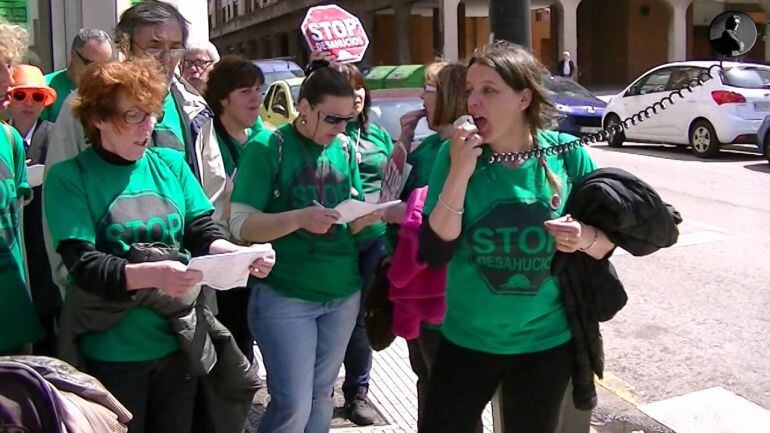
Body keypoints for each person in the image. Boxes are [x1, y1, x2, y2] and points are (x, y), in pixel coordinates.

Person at [43, 58, 275, 433]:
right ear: (98, 119)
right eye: (133, 115)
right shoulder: (71, 177)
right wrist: (154, 275)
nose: (148, 126)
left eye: (151, 113)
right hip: (113, 355)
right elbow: (82, 264)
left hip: (180, 345)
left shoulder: (170, 163)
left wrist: (239, 256)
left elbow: (201, 230)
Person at [417, 41, 615, 433]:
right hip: (466, 340)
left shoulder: (567, 154)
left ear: (524, 97)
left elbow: (606, 244)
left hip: (544, 344)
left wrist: (583, 236)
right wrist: (459, 171)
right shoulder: (453, 154)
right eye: (471, 90)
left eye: (489, 90)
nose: (474, 101)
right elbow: (435, 251)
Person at [44, 0, 229, 302]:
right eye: (154, 47)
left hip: (185, 288)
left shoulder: (193, 108)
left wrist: (211, 261)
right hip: (107, 295)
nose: (166, 59)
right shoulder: (86, 105)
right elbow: (62, 207)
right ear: (125, 46)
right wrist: (72, 285)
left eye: (176, 47)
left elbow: (212, 194)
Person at [229, 65, 378, 433]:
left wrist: (374, 217)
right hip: (285, 294)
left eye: (350, 119)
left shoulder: (343, 146)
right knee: (292, 405)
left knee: (319, 400)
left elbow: (352, 221)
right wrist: (299, 218)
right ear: (304, 108)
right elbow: (241, 224)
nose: (341, 127)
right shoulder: (267, 147)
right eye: (332, 118)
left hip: (342, 291)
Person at [332, 62, 393, 426]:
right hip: (336, 240)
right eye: (345, 89)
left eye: (359, 88)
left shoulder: (378, 135)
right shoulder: (324, 136)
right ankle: (320, 386)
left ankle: (357, 391)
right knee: (330, 314)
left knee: (361, 319)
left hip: (375, 239)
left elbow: (395, 178)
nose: (355, 96)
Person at [203, 54, 270, 363]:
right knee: (234, 338)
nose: (256, 97)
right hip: (225, 254)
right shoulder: (205, 140)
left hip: (264, 253)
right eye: (245, 90)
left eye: (259, 88)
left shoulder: (267, 139)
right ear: (223, 99)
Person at [5, 64, 59, 356]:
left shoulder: (54, 135)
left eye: (37, 97)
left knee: (47, 326)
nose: (28, 103)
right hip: (13, 244)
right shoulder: (6, 136)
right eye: (21, 95)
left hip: (44, 241)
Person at [0, 19, 44, 356]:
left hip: (12, 311)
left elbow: (17, 233)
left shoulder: (10, 139)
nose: (7, 79)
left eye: (7, 66)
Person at [41, 28, 113, 122]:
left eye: (107, 65)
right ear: (74, 56)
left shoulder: (113, 90)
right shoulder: (45, 87)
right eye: (92, 64)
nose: (100, 71)